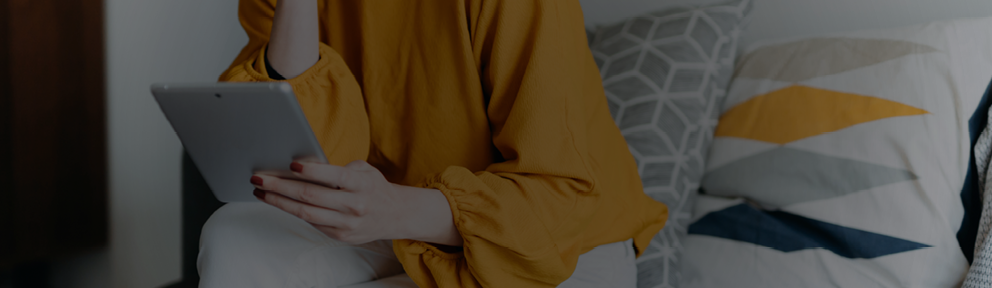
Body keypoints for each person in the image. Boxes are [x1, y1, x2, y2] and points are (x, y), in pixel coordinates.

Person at [198, 0, 668, 287]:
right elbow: (309, 151)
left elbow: (559, 198)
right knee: (234, 233)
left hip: (556, 251)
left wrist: (394, 209)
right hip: (390, 221)